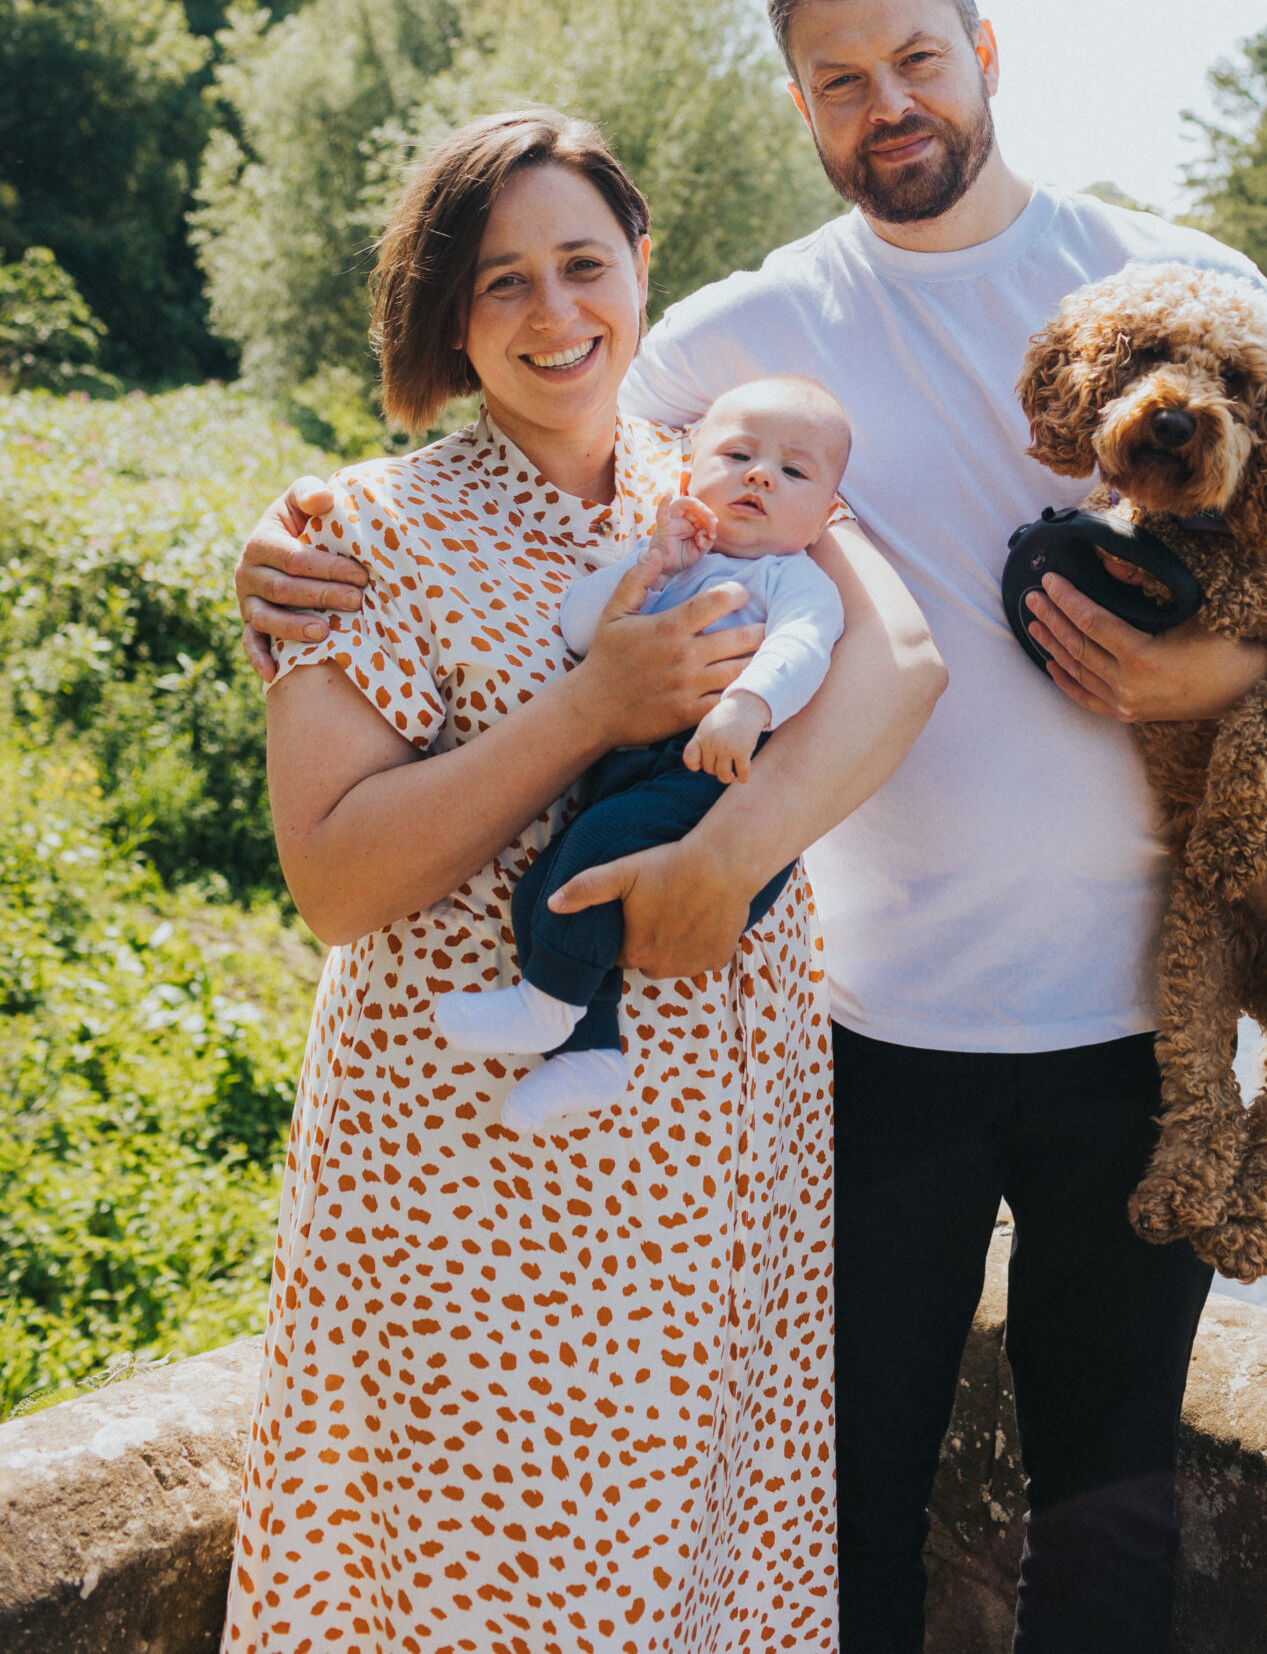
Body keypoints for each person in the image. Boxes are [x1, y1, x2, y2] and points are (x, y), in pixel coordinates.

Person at [237, 0, 1267, 1654]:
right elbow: (535, 422)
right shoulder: (736, 344)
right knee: (838, 1504)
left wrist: (1214, 675)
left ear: (982, 47)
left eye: (913, 60)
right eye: (838, 80)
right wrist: (288, 545)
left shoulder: (1171, 275)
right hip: (860, 1036)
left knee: (1110, 1502)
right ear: (802, 104)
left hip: (1139, 1021)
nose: (885, 104)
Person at [222, 107, 942, 1654]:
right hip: (472, 1173)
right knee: (482, 1561)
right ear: (445, 313)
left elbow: (901, 663)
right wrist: (589, 712)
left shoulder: (740, 478)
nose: (554, 317)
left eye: (581, 264)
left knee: (682, 1552)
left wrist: (738, 842)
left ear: (636, 268)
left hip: (711, 1153)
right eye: (500, 283)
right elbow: (336, 885)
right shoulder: (360, 529)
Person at [437, 376, 851, 1134]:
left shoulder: (795, 579)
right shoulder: (670, 556)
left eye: (793, 471)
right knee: (546, 889)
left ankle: (547, 1007)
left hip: (715, 777)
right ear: (689, 474)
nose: (760, 475)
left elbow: (802, 647)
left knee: (592, 855)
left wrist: (744, 705)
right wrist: (647, 565)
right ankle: (593, 1050)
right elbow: (578, 630)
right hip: (633, 770)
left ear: (825, 516)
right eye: (737, 455)